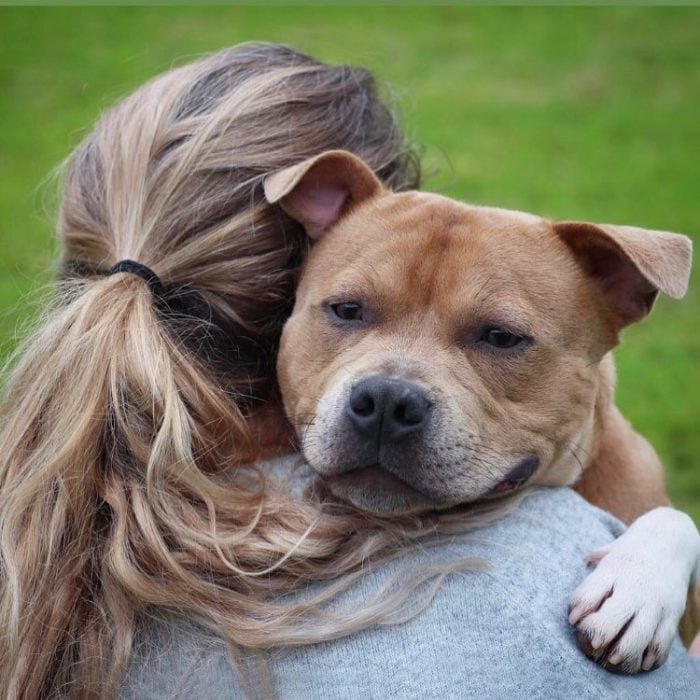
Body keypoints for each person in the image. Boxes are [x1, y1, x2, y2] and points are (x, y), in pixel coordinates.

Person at [0, 44, 696, 699]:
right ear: (287, 288)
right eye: (351, 312)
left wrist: (671, 539)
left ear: (620, 296)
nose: (395, 392)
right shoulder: (539, 627)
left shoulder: (46, 518)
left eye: (498, 338)